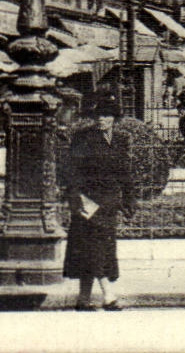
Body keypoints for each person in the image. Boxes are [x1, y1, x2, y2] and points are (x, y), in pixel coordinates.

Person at [61, 98, 134, 310]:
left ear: (115, 119)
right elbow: (71, 169)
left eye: (107, 115)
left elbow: (124, 171)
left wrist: (129, 198)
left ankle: (83, 299)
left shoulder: (121, 139)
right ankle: (108, 296)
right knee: (95, 247)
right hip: (88, 201)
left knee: (93, 248)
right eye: (99, 115)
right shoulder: (83, 137)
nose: (102, 119)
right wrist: (75, 196)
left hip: (109, 201)